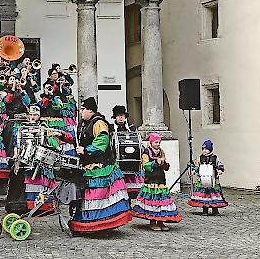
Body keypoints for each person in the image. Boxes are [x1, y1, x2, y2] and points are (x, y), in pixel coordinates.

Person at [70, 97, 132, 235]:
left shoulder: (99, 123)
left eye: (83, 109)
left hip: (101, 166)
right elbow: (77, 139)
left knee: (99, 195)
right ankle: (90, 224)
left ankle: (101, 224)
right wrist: (62, 135)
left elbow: (101, 144)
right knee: (89, 196)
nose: (81, 112)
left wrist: (85, 150)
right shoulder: (83, 123)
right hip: (88, 166)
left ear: (91, 111)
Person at [5, 105, 74, 215]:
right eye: (31, 115)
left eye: (35, 115)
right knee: (23, 179)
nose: (32, 117)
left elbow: (50, 138)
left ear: (39, 116)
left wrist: (57, 146)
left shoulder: (43, 126)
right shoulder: (22, 127)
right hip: (26, 158)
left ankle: (43, 206)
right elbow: (16, 142)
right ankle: (25, 205)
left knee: (42, 181)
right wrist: (16, 154)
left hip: (41, 158)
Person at [131, 133, 182, 231]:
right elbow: (145, 165)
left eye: (159, 142)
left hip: (160, 180)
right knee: (153, 202)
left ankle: (161, 221)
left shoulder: (161, 152)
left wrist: (164, 164)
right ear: (151, 142)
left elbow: (165, 165)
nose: (158, 144)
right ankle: (153, 222)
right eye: (156, 142)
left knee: (161, 202)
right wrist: (154, 163)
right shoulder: (146, 152)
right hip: (151, 180)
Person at [111, 105, 143, 200]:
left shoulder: (132, 128)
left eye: (122, 116)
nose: (121, 118)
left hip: (131, 162)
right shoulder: (111, 128)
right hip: (116, 160)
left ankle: (128, 203)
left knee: (130, 189)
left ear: (125, 117)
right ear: (115, 117)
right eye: (118, 116)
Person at [188, 139, 228, 215]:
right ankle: (205, 210)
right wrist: (193, 171)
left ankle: (215, 210)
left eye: (206, 149)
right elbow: (196, 165)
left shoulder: (215, 157)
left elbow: (219, 164)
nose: (204, 151)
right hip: (202, 179)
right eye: (203, 149)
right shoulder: (200, 157)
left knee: (214, 195)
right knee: (204, 195)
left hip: (213, 180)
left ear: (210, 149)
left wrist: (220, 170)